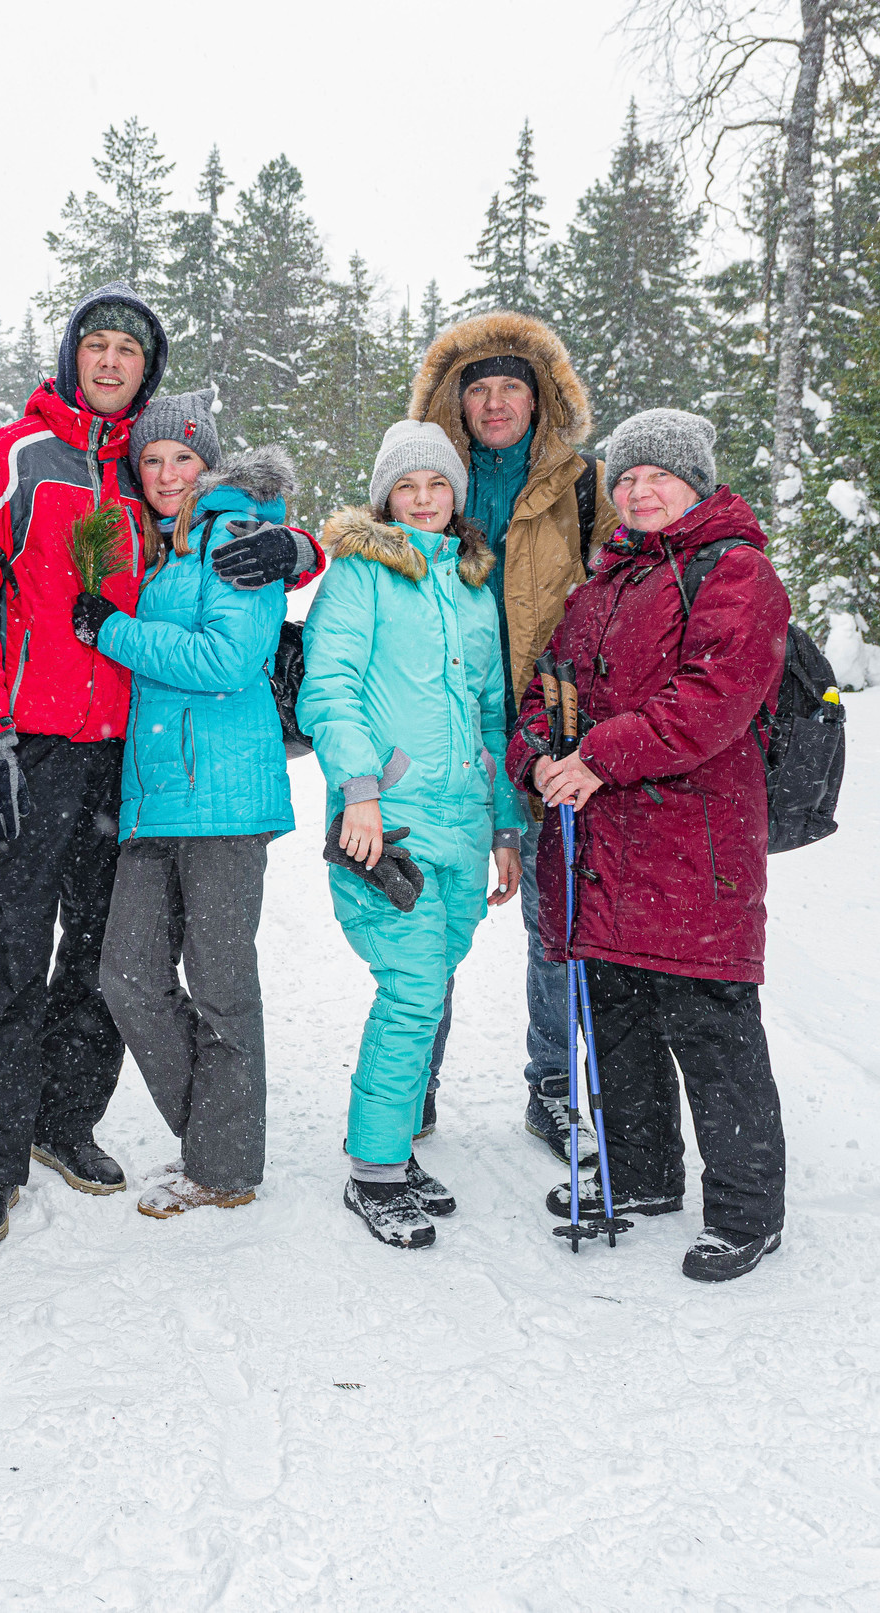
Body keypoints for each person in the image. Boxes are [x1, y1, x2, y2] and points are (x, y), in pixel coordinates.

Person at [0, 283, 323, 1249]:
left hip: (126, 757)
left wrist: (297, 545)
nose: (111, 361)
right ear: (71, 356)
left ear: (148, 375)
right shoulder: (16, 458)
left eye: (129, 350)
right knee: (9, 948)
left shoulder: (147, 476)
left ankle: (65, 1119)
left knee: (101, 956)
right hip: (34, 744)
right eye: (96, 344)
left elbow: (233, 535)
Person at [506, 408, 791, 1283]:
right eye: (626, 478)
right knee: (618, 1018)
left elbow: (713, 698)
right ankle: (641, 1174)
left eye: (658, 476)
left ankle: (746, 1212)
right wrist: (538, 756)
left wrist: (598, 756)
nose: (639, 491)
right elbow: (546, 685)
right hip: (603, 848)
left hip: (695, 848)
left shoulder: (736, 571)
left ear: (695, 483)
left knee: (713, 1030)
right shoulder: (604, 582)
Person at [300, 420, 524, 1250]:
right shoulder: (361, 574)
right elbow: (329, 687)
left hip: (464, 823)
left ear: (455, 496)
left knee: (431, 980)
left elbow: (492, 714)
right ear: (386, 496)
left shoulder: (472, 585)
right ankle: (375, 1169)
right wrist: (359, 790)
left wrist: (506, 823)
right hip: (387, 822)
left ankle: (388, 1140)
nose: (424, 500)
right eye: (407, 486)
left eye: (437, 485)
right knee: (413, 990)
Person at [81, 390, 295, 1219]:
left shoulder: (238, 538)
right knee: (127, 976)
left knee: (221, 987)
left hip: (226, 800)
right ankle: (214, 1135)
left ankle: (223, 1166)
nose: (168, 473)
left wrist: (113, 630)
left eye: (184, 458)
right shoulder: (166, 550)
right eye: (153, 459)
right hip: (156, 800)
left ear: (211, 465)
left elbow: (227, 660)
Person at [408, 314, 617, 1155]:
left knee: (556, 925)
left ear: (540, 401)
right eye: (480, 389)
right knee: (427, 924)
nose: (495, 403)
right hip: (446, 734)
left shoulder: (582, 487)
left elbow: (623, 590)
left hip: (548, 736)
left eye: (511, 389)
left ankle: (555, 1085)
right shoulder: (430, 483)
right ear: (457, 404)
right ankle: (411, 1081)